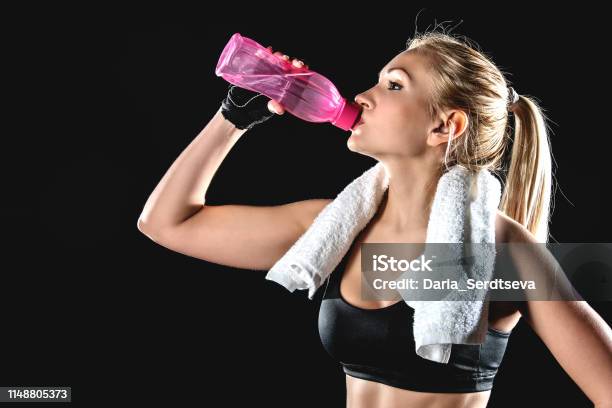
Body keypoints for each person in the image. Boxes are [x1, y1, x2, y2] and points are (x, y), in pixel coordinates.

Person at [137, 30, 612, 407]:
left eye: (393, 85)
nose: (362, 97)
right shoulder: (333, 230)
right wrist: (231, 118)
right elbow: (166, 224)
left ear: (445, 126)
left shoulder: (501, 251)